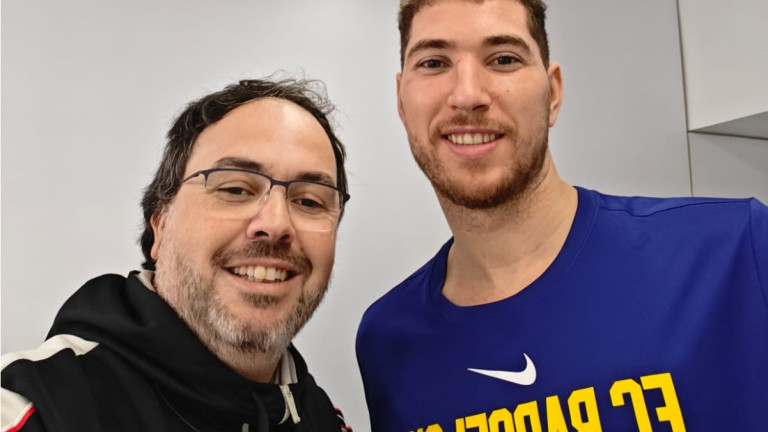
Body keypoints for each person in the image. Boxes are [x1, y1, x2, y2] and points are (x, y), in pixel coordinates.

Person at [356, 0, 768, 431]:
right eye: (434, 62)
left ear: (553, 93)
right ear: (402, 104)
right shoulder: (387, 340)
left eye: (503, 59)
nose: (467, 95)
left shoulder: (737, 250)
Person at [2, 78, 353, 432]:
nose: (276, 224)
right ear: (160, 225)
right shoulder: (35, 407)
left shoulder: (322, 418)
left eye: (310, 201)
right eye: (235, 188)